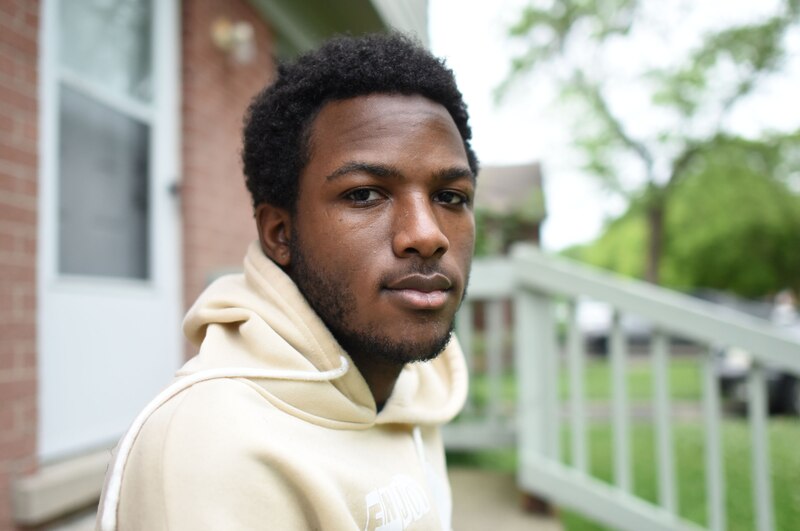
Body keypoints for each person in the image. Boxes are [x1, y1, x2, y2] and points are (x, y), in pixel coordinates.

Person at [95, 32, 478, 530]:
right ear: (280, 233)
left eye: (450, 196)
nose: (427, 235)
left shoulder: (411, 388)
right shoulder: (214, 448)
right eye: (365, 194)